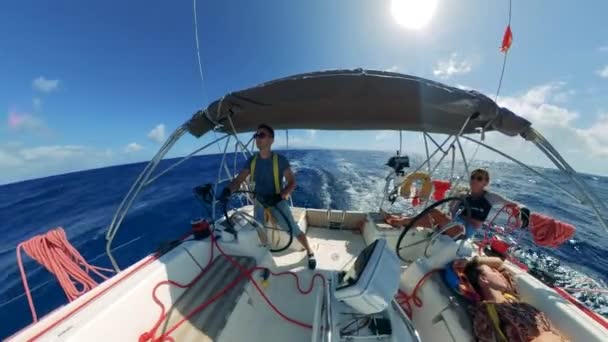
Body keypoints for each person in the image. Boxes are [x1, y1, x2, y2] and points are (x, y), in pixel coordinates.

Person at [222, 124, 316, 270]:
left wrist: (281, 195)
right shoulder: (251, 161)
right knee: (260, 230)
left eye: (262, 135)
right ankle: (265, 253)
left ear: (271, 139)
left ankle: (310, 252)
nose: (257, 138)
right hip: (259, 203)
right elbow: (239, 180)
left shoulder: (280, 160)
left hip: (277, 201)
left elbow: (292, 182)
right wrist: (228, 191)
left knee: (293, 230)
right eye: (256, 135)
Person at [383, 169, 530, 238]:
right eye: (473, 177)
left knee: (434, 212)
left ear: (486, 182)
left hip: (465, 232)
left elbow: (513, 204)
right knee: (431, 218)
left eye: (479, 178)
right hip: (454, 225)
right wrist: (450, 211)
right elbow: (451, 212)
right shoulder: (462, 194)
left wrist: (523, 211)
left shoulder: (491, 197)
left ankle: (403, 221)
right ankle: (403, 222)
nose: (475, 180)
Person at [463, 256, 568, 342]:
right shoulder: (484, 314)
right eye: (494, 271)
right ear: (483, 279)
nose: (501, 274)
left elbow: (499, 263)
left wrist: (473, 262)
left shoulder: (511, 297)